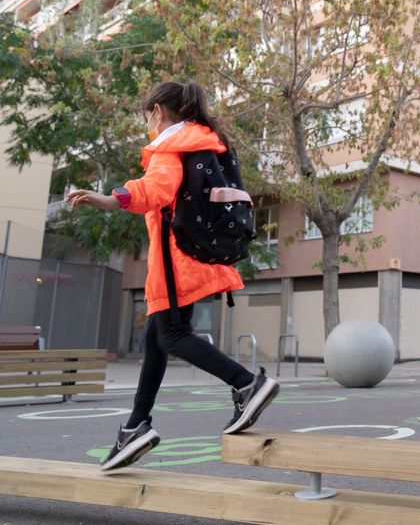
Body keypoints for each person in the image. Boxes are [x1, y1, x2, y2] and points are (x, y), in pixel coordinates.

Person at [66, 80, 279, 471]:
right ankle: (136, 425)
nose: (148, 126)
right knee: (156, 338)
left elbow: (157, 189)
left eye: (147, 117)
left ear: (158, 111)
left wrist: (112, 198)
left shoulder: (172, 144)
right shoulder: (201, 140)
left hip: (175, 263)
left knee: (172, 335)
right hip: (191, 258)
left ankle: (247, 383)